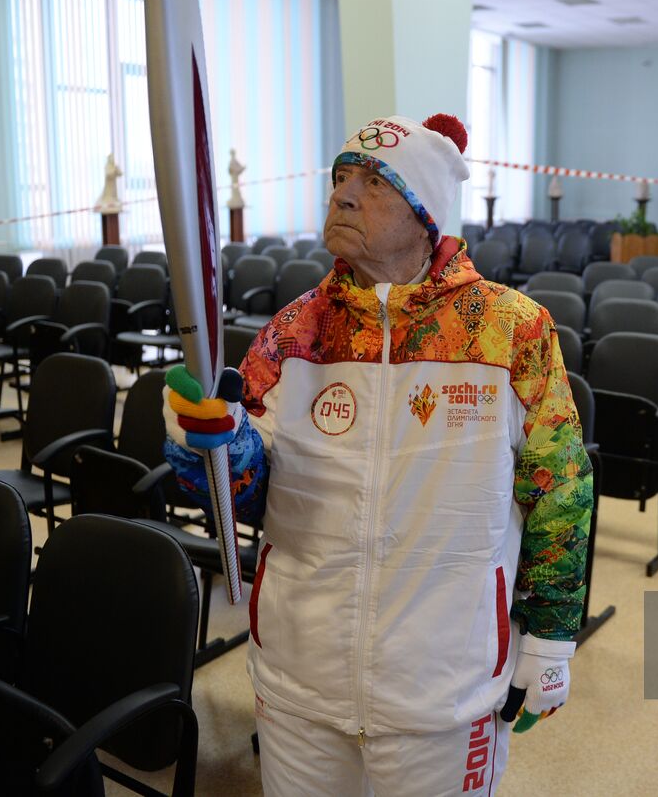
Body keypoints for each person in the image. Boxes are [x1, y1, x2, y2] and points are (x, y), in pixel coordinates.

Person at [162, 113, 592, 795]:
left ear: (426, 215)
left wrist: (550, 638)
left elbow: (561, 488)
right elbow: (250, 492)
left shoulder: (511, 330)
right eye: (340, 178)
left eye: (373, 181)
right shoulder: (295, 330)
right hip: (299, 674)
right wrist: (210, 446)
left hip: (444, 686)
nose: (344, 194)